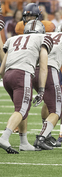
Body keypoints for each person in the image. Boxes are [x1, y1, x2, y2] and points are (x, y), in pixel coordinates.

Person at [0, 20, 53, 154]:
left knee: (22, 109)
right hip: (22, 74)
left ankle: (23, 142)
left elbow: (2, 67)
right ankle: (4, 137)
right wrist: (41, 90)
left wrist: (5, 77)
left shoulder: (13, 39)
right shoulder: (43, 38)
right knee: (22, 109)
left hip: (8, 75)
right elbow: (43, 67)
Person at [31, 23, 62, 150]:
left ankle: (46, 136)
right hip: (49, 70)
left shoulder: (47, 35)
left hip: (32, 70)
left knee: (48, 103)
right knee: (57, 110)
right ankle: (42, 138)